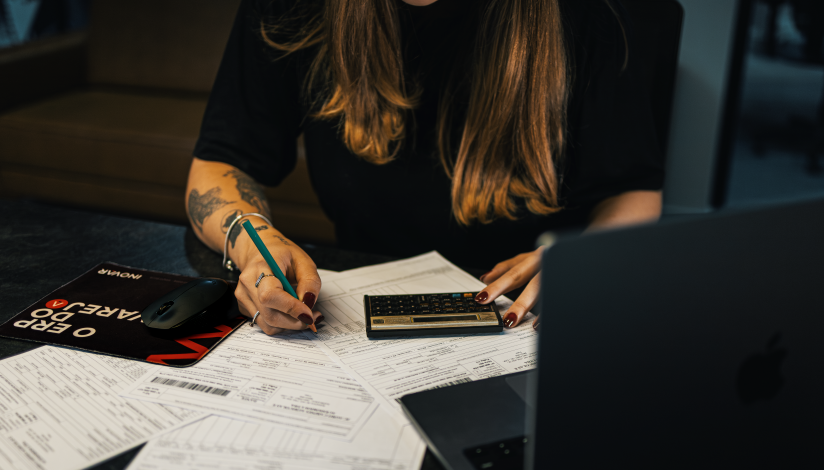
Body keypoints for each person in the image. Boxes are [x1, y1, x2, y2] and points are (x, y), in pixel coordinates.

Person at [186, 0, 664, 335]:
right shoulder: (295, 7)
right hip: (357, 304)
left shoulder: (589, 13)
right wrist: (254, 243)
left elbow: (633, 190)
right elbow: (221, 162)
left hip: (526, 312)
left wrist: (584, 261)